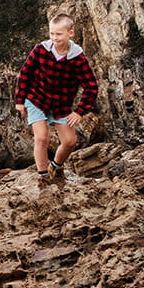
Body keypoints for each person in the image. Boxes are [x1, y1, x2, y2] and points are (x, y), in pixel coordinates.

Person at [14, 13, 100, 182]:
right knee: (41, 137)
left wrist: (79, 112)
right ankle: (43, 176)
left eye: (59, 34)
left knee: (70, 141)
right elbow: (24, 74)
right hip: (37, 99)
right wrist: (19, 100)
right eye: (51, 33)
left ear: (71, 33)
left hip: (62, 105)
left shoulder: (78, 59)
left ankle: (56, 166)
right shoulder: (40, 50)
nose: (54, 37)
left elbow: (91, 87)